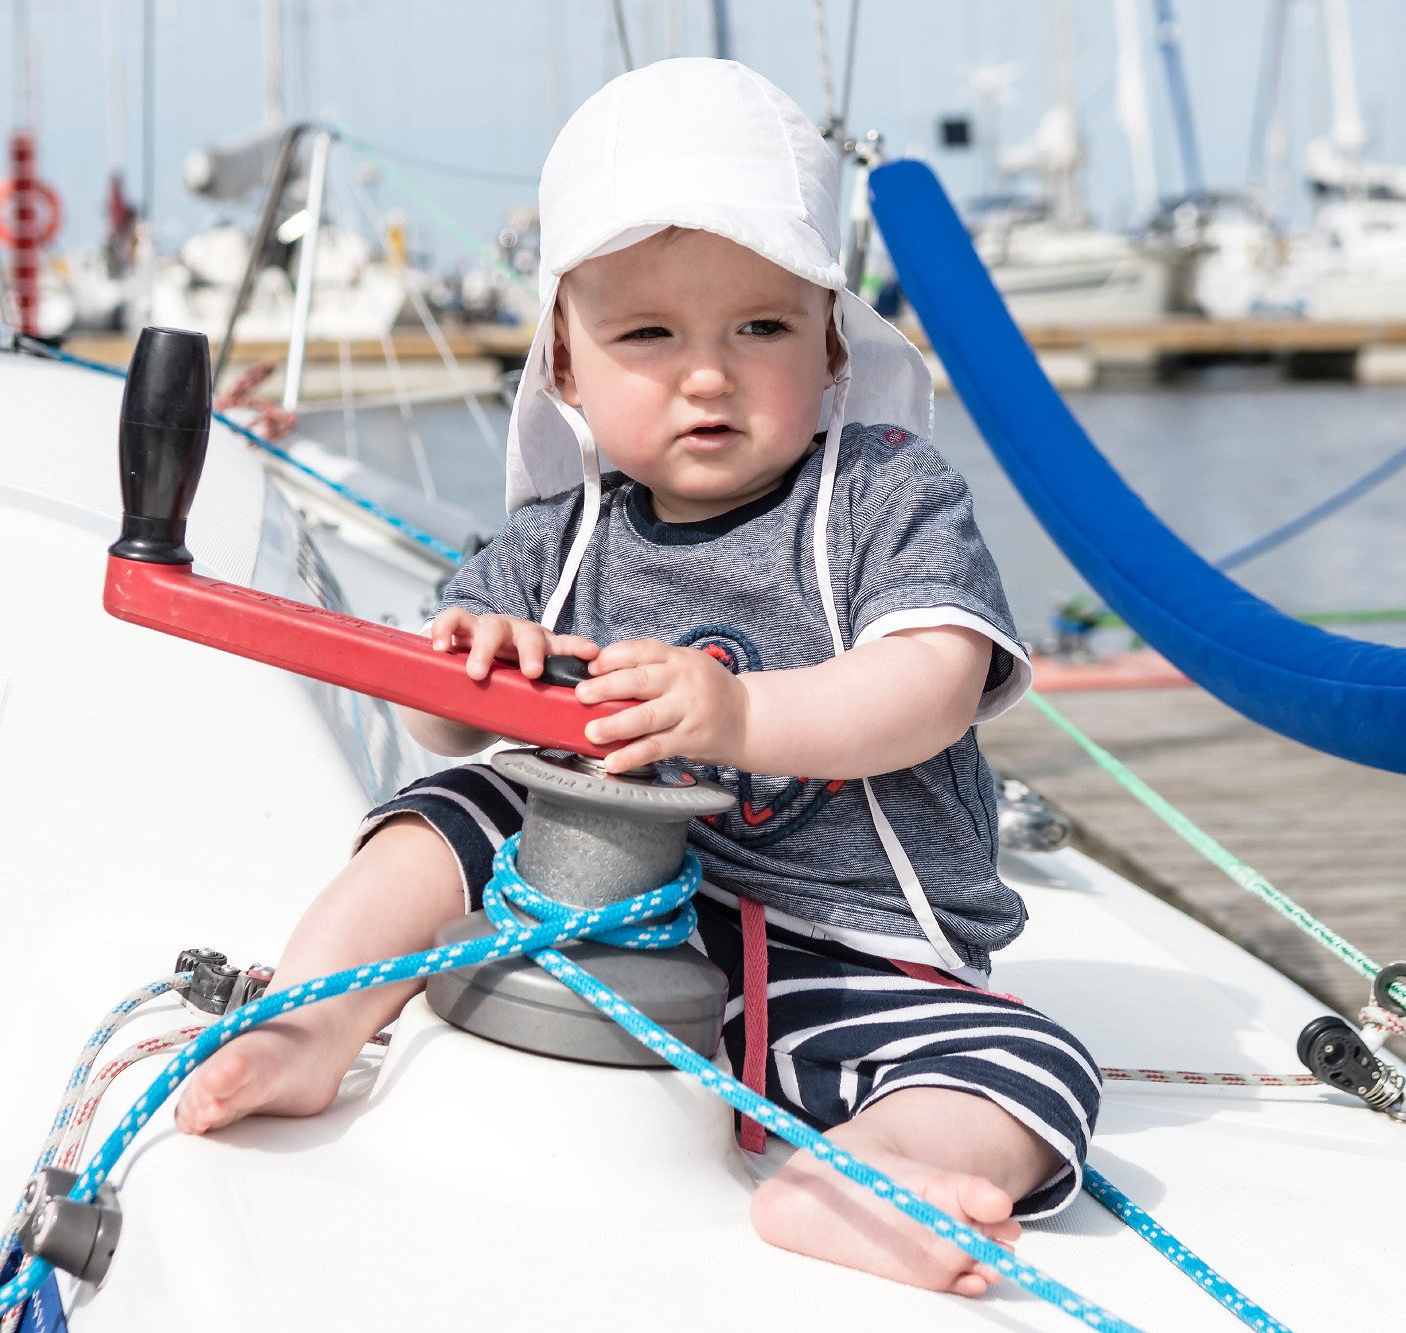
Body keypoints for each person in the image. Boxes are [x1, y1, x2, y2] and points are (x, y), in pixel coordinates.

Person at [176, 59, 1099, 1299]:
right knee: (461, 806)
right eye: (646, 334)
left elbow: (932, 675)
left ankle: (863, 1174)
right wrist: (465, 675)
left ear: (830, 342)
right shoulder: (555, 541)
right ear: (565, 363)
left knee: (1025, 1064)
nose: (704, 372)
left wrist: (742, 714)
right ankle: (314, 1015)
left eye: (758, 327)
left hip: (853, 964)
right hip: (603, 932)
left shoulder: (882, 494)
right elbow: (432, 723)